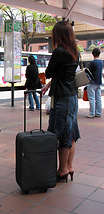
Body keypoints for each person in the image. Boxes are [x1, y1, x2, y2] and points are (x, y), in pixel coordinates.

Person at [41, 21, 80, 182]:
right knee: (71, 134)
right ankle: (69, 166)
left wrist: (47, 80)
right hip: (72, 97)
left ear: (59, 35)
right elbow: (65, 74)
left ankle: (62, 170)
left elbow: (49, 72)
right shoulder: (75, 51)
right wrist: (49, 85)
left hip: (62, 98)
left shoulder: (59, 51)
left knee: (62, 133)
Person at [86, 47, 103, 118]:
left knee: (92, 98)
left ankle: (92, 113)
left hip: (92, 82)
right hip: (99, 82)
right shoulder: (101, 62)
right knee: (98, 98)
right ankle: (98, 112)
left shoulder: (92, 63)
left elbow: (89, 72)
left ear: (93, 54)